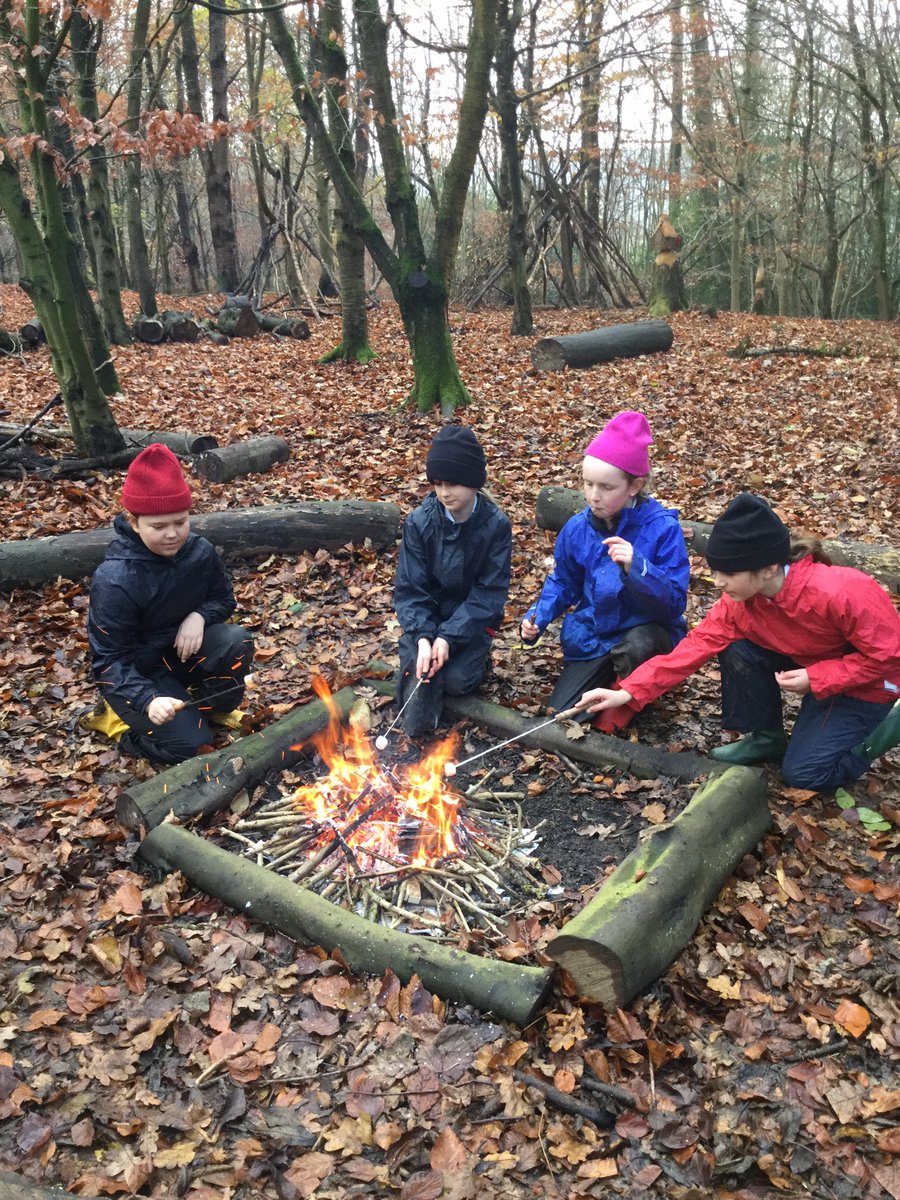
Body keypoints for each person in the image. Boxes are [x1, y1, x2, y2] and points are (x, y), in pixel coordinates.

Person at [577, 492, 900, 791]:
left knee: (804, 775)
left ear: (768, 568)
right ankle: (766, 735)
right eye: (715, 571)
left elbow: (889, 657)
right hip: (814, 663)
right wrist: (627, 692)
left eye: (726, 574)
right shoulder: (740, 604)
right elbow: (694, 647)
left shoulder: (841, 591)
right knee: (735, 646)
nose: (717, 583)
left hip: (869, 685)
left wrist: (817, 679)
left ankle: (888, 725)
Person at [86, 443, 254, 764]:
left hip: (179, 656)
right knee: (191, 747)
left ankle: (205, 710)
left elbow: (223, 599)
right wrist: (147, 700)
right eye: (158, 527)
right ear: (134, 522)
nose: (172, 535)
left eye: (180, 522)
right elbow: (107, 662)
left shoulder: (199, 552)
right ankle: (127, 733)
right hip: (138, 676)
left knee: (236, 641)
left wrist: (200, 615)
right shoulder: (116, 579)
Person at [520, 410, 690, 713]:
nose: (594, 496)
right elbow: (563, 580)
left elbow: (674, 604)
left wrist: (638, 568)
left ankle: (630, 699)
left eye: (606, 488)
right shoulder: (578, 528)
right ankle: (607, 687)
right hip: (597, 632)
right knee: (565, 713)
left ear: (634, 487)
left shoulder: (663, 529)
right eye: (588, 484)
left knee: (636, 648)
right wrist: (539, 616)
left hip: (647, 633)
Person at [393, 425, 512, 736]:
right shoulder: (420, 522)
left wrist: (448, 638)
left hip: (469, 624)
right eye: (438, 484)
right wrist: (423, 637)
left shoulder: (495, 526)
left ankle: (479, 663)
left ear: (474, 483)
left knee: (458, 681)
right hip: (427, 620)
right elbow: (410, 589)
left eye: (454, 484)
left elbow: (489, 594)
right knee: (418, 674)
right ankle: (419, 661)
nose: (445, 493)